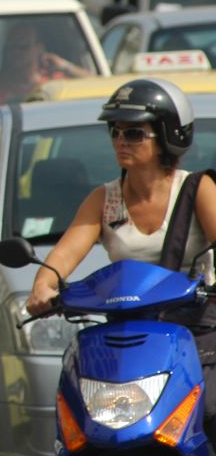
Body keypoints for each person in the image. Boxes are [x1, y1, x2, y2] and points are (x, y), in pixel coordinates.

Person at [24, 78, 216, 436]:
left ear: (168, 136)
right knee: (83, 422)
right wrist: (43, 286)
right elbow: (62, 256)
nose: (120, 141)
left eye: (133, 133)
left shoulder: (198, 189)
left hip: (196, 330)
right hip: (128, 335)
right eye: (115, 131)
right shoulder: (103, 199)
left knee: (208, 413)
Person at [0, 22, 91, 111]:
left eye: (23, 47)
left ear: (39, 47)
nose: (16, 52)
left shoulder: (56, 80)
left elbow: (97, 87)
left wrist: (66, 66)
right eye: (11, 47)